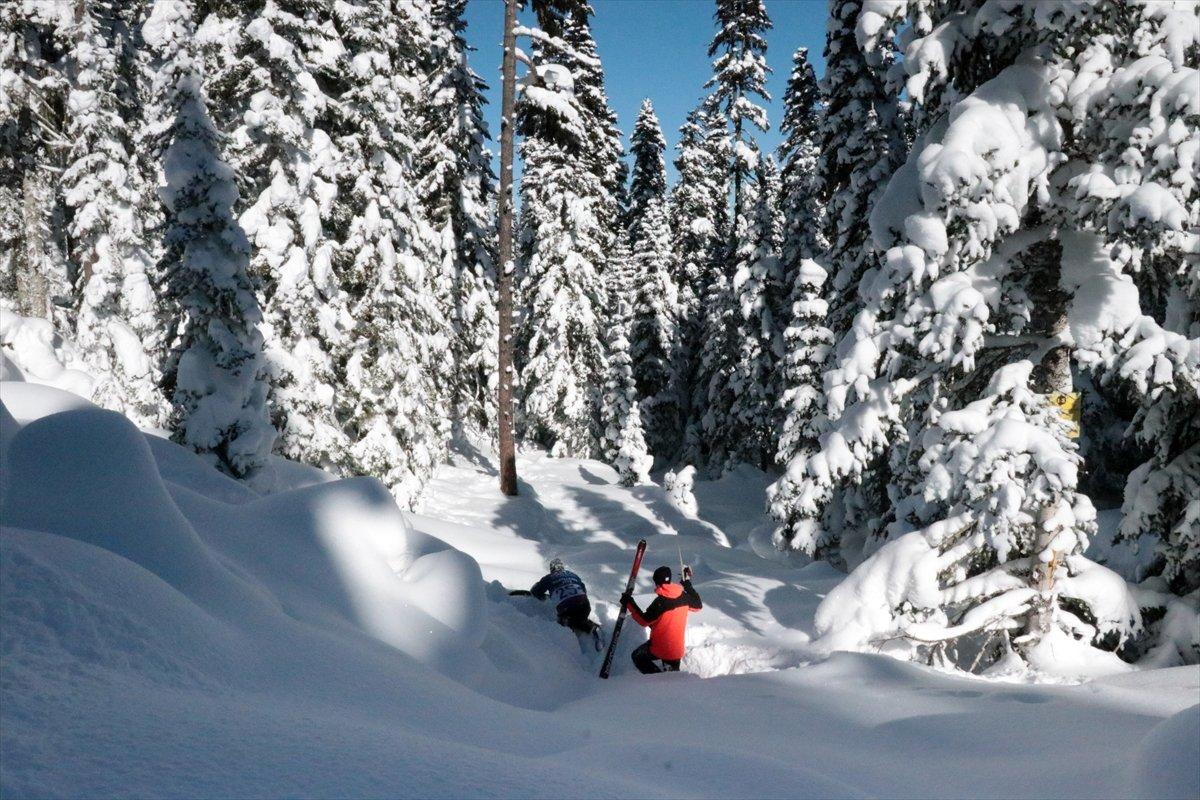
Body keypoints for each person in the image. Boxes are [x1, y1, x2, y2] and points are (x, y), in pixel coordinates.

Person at [621, 565, 702, 674]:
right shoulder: (683, 596)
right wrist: (687, 584)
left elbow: (644, 621)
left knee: (637, 656)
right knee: (672, 678)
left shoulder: (660, 603)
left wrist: (629, 603)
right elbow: (698, 605)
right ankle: (665, 681)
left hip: (660, 648)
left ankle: (657, 678)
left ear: (656, 582)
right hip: (676, 650)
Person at [530, 558, 602, 649]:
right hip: (585, 606)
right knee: (578, 617)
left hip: (566, 609)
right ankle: (585, 625)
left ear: (552, 569)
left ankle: (570, 646)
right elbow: (583, 590)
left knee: (565, 623)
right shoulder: (573, 575)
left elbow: (535, 591)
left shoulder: (548, 578)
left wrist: (545, 597)